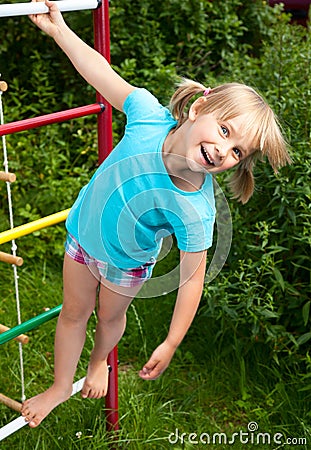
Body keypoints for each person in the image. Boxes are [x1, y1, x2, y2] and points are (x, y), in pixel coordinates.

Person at [21, 0, 291, 428]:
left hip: (126, 266)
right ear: (199, 108)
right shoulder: (147, 115)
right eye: (224, 131)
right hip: (81, 237)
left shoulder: (197, 210)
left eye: (237, 150)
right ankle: (58, 386)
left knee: (108, 317)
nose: (224, 150)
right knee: (74, 312)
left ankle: (98, 363)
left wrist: (171, 341)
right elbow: (99, 71)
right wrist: (60, 31)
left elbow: (192, 280)